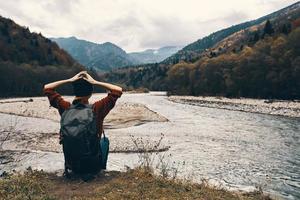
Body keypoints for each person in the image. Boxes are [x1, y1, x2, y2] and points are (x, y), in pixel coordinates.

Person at [43, 71, 122, 178]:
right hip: (92, 166)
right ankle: (98, 170)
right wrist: (95, 82)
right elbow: (118, 90)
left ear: (75, 92)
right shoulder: (96, 109)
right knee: (104, 142)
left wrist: (69, 80)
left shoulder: (65, 107)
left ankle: (72, 169)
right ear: (90, 93)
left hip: (72, 165)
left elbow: (47, 88)